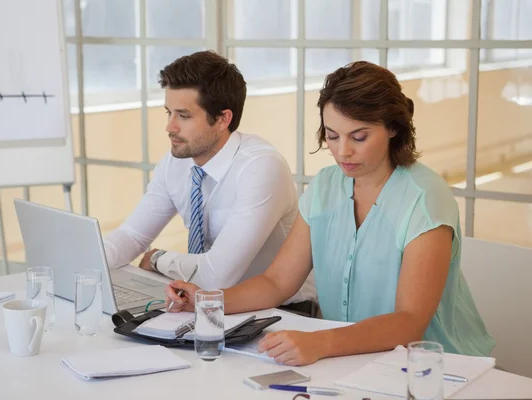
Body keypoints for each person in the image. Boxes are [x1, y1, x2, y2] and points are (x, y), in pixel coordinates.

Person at [165, 61, 495, 366]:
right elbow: (277, 281)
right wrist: (207, 300)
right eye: (332, 136)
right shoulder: (325, 186)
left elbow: (409, 321)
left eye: (359, 136)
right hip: (354, 359)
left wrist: (319, 343)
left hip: (439, 368)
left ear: (393, 128)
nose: (342, 151)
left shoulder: (425, 199)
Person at [103, 50, 316, 305]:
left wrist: (159, 259)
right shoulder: (177, 162)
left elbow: (217, 276)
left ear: (223, 119)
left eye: (184, 116)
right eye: (168, 113)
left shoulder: (261, 168)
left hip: (281, 311)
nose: (170, 127)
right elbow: (133, 236)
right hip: (205, 304)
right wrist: (85, 260)